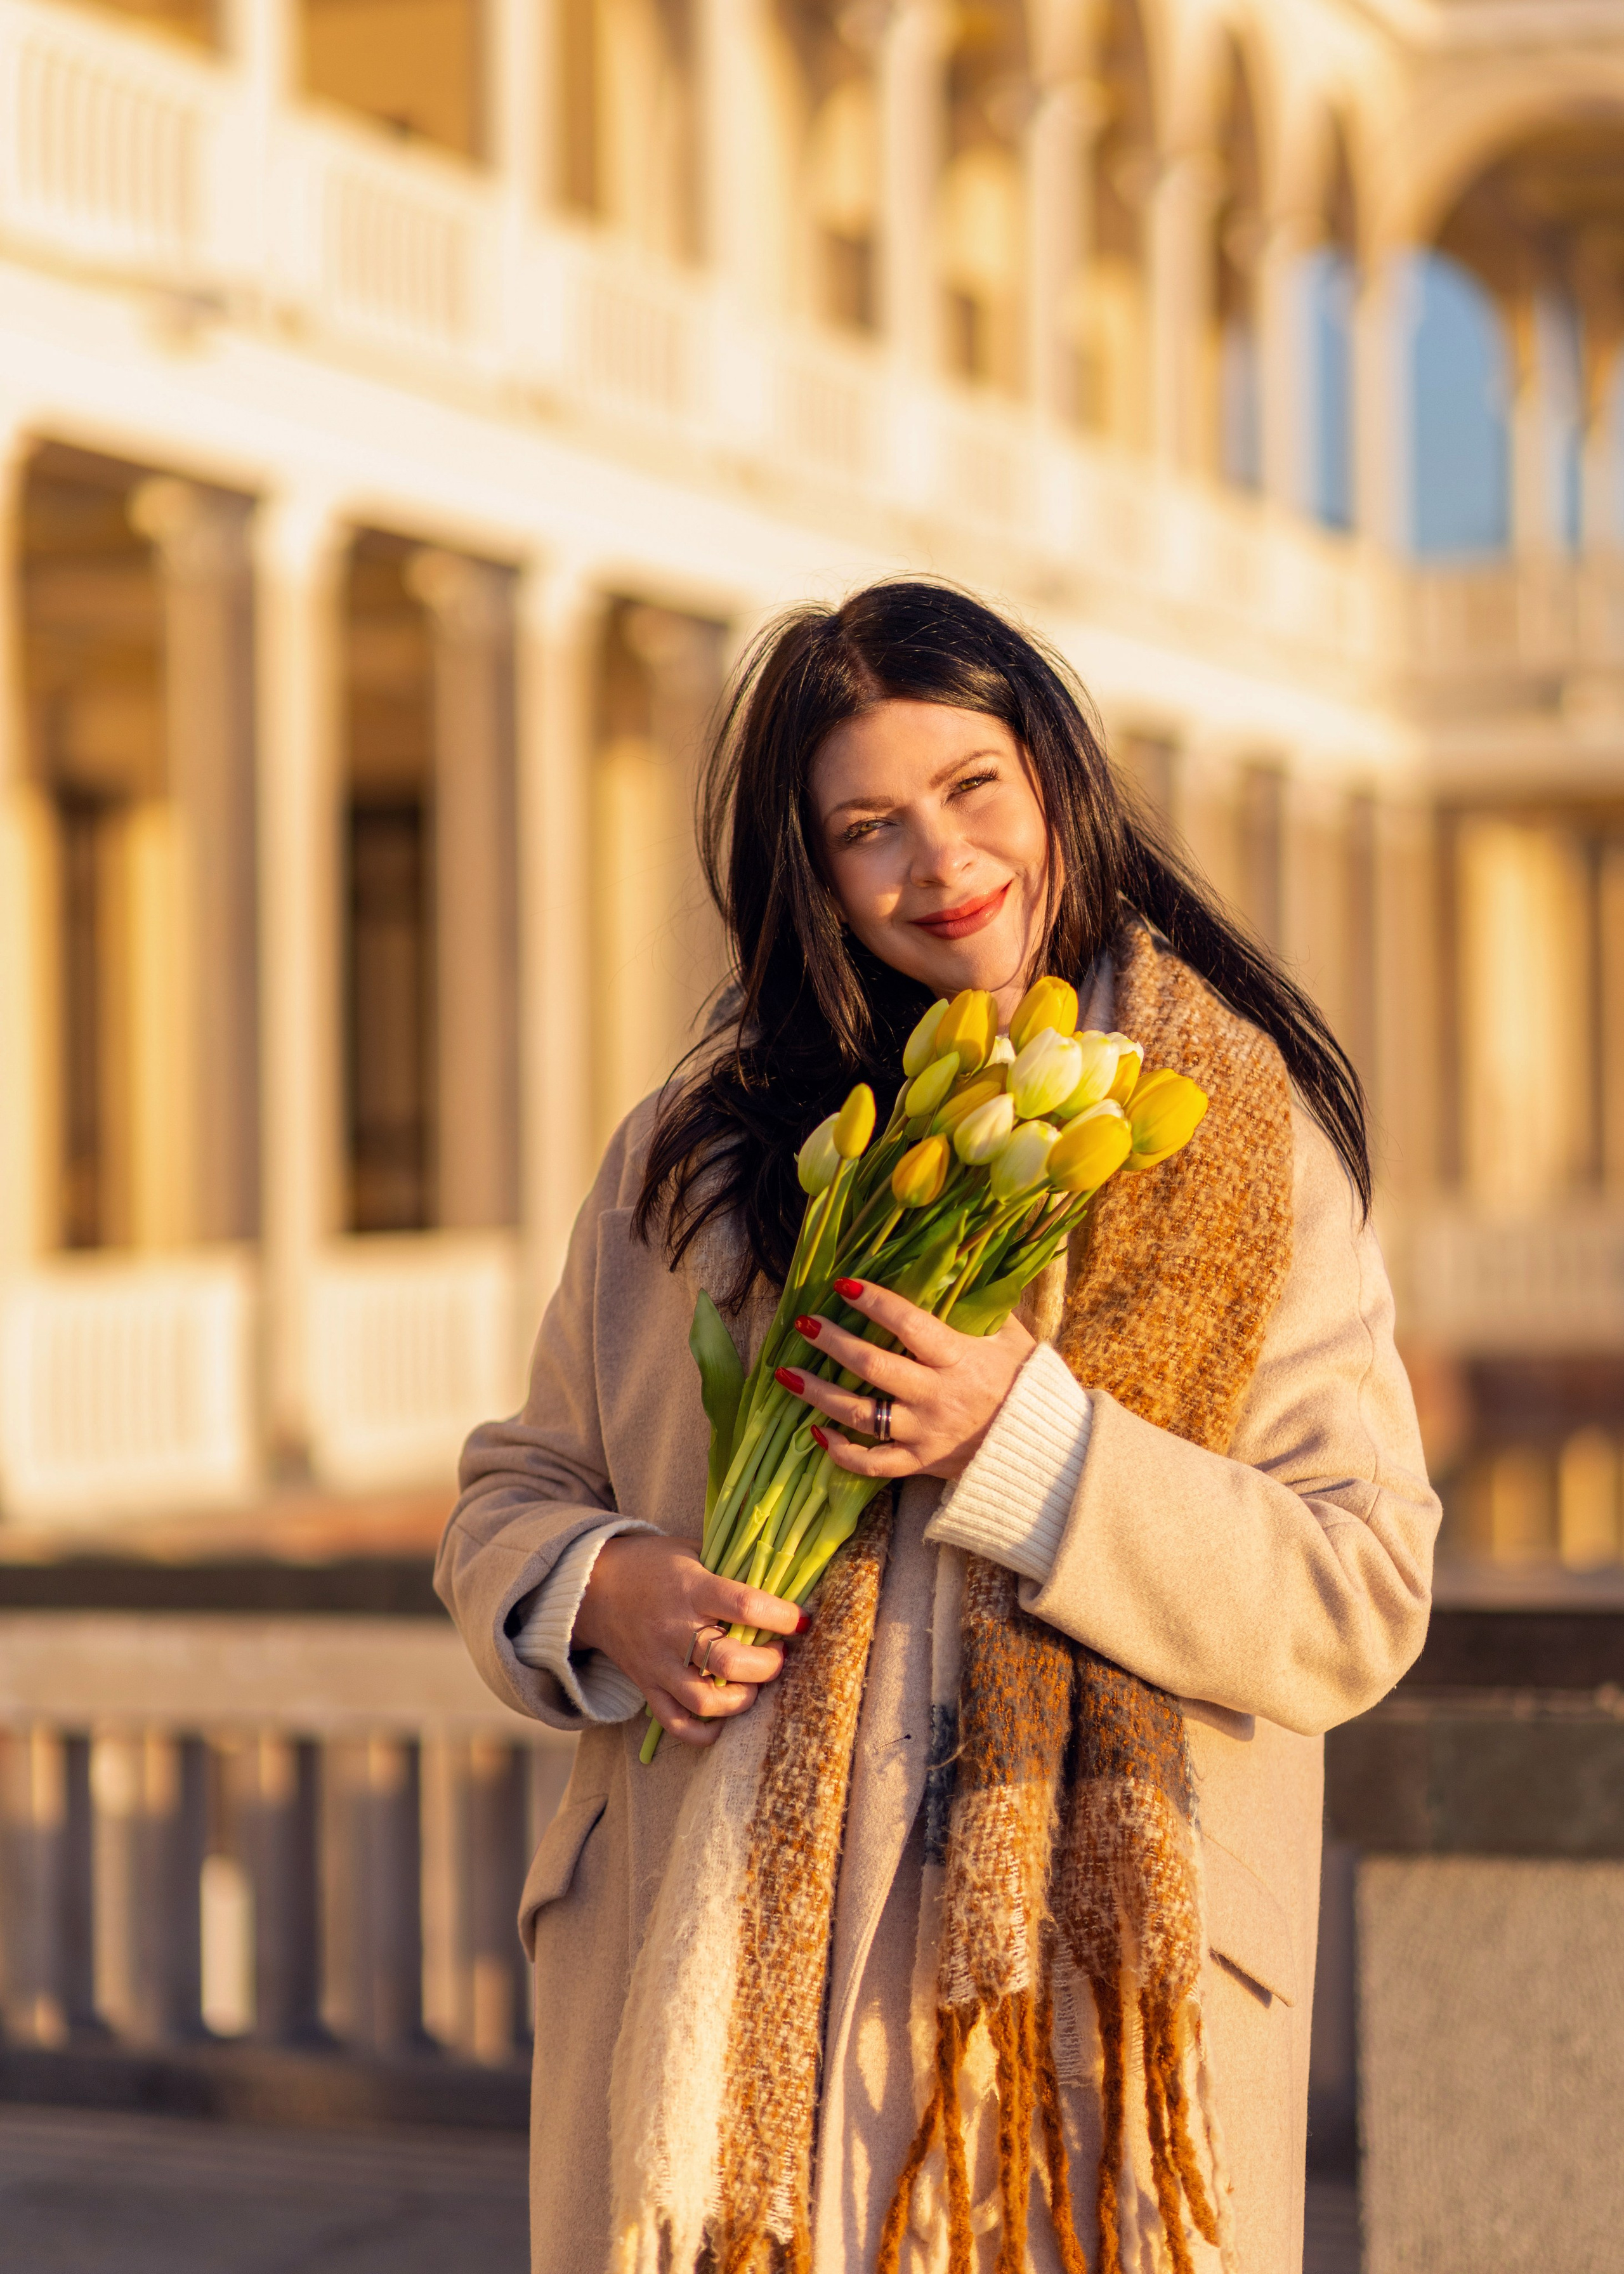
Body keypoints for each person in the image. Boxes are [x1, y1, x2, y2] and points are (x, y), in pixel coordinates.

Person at [436, 579, 1439, 2274]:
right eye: (870, 827)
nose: (942, 863)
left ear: (1055, 776)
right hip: (715, 2036)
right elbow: (511, 1494)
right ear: (814, 869)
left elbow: (1361, 1587)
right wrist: (608, 1592)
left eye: (975, 790)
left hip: (1063, 2073)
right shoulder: (703, 1154)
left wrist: (1030, 1450)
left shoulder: (1244, 1153)